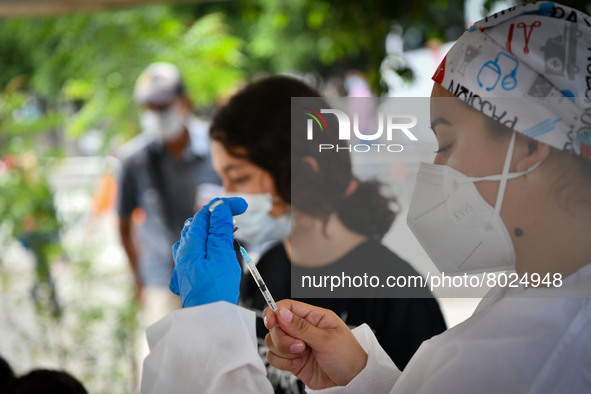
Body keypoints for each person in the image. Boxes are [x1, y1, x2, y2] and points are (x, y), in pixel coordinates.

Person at [141, 3, 591, 393]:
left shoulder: (541, 353)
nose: (436, 169)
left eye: (447, 142)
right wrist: (359, 378)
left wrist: (202, 332)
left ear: (529, 142)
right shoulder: (529, 303)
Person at [207, 76, 446, 392]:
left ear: (303, 172)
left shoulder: (396, 293)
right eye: (221, 179)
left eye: (238, 177)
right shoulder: (261, 271)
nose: (225, 197)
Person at [117, 62, 220, 324]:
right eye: (150, 107)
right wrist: (139, 280)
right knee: (169, 360)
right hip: (162, 282)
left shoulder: (218, 149)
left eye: (163, 106)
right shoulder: (134, 159)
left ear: (185, 102)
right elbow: (123, 224)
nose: (156, 113)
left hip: (215, 277)